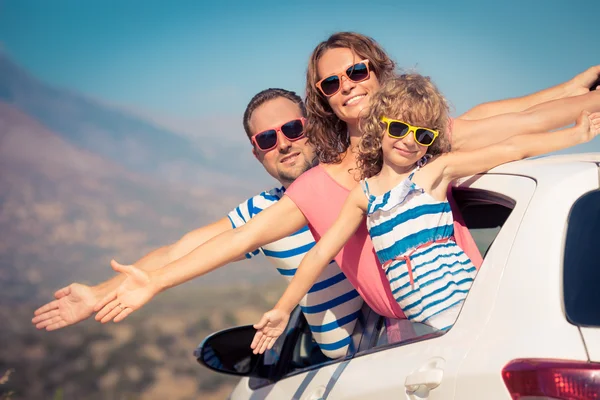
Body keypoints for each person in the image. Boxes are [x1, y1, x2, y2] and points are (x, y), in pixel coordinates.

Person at [92, 32, 600, 331]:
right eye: (331, 83)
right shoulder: (314, 188)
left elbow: (521, 123)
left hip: (474, 316)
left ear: (378, 72)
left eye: (356, 72)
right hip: (409, 341)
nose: (347, 86)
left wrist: (575, 97)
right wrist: (151, 280)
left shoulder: (425, 140)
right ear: (324, 100)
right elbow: (236, 239)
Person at [249, 74, 600, 353]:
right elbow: (321, 252)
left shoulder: (433, 173)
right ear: (380, 126)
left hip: (470, 314)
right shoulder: (364, 196)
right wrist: (282, 309)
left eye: (423, 134)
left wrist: (574, 135)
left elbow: (512, 148)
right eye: (399, 128)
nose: (409, 141)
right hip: (426, 333)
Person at [32, 88, 364, 359]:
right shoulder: (260, 211)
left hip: (389, 351)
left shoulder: (354, 178)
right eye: (267, 139)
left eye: (293, 129)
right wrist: (96, 294)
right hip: (351, 374)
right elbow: (179, 251)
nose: (284, 143)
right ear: (256, 153)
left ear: (311, 127)